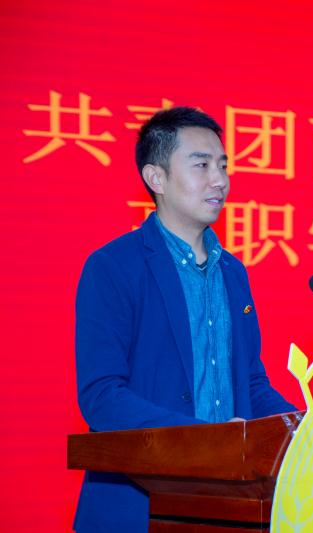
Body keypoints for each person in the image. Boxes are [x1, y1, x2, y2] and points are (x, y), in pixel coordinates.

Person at [73, 107, 295, 532]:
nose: (220, 180)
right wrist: (204, 441)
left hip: (231, 507)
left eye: (223, 166)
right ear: (156, 178)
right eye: (202, 165)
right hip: (139, 508)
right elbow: (102, 396)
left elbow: (250, 386)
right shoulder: (113, 266)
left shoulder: (233, 272)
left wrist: (304, 430)